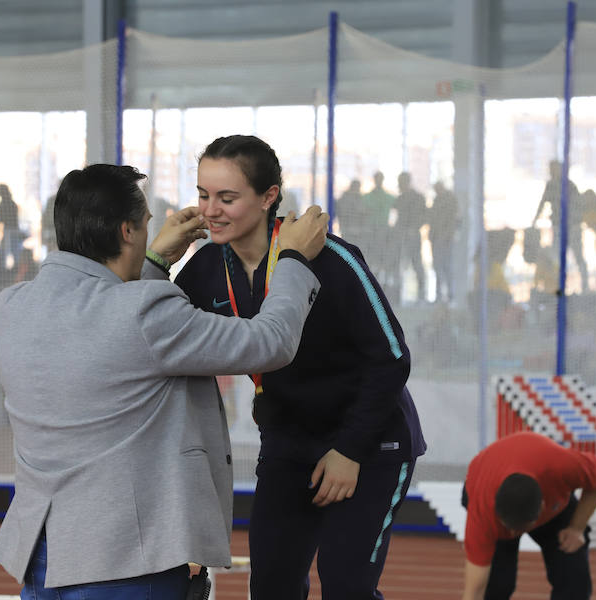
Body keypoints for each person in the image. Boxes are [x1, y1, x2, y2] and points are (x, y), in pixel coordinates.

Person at [0, 163, 328, 597]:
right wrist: (293, 260)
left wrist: (153, 261)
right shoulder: (141, 313)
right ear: (127, 231)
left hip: (45, 556)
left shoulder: (12, 306)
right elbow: (271, 342)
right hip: (126, 560)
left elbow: (109, 329)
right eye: (147, 224)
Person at [174, 135, 426, 600]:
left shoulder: (332, 258)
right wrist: (157, 257)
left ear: (269, 197)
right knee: (271, 586)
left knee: (346, 586)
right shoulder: (204, 268)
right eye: (203, 194)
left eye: (227, 198)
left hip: (369, 445)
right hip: (289, 445)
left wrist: (350, 450)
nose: (210, 210)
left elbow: (392, 358)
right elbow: (153, 336)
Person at [461, 431, 596, 600]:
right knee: (496, 587)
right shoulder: (483, 512)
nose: (512, 534)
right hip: (486, 482)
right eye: (509, 528)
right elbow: (473, 591)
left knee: (574, 581)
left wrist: (577, 528)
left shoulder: (562, 467)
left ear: (542, 508)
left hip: (554, 502)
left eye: (517, 530)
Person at [532, 160, 588, 289]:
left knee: (578, 257)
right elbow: (543, 203)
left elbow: (579, 206)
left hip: (573, 228)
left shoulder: (570, 186)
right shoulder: (551, 185)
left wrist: (574, 221)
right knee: (556, 258)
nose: (551, 171)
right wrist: (534, 221)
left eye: (554, 169)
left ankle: (585, 287)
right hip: (558, 228)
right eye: (550, 169)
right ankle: (557, 287)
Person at [395, 172, 428, 302]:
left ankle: (421, 294)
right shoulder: (400, 199)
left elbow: (424, 216)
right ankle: (398, 295)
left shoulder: (418, 198)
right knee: (399, 264)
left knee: (416, 264)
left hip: (413, 236)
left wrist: (413, 228)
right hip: (401, 237)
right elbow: (397, 218)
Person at [429, 181, 458, 302]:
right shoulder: (437, 200)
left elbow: (454, 220)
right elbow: (433, 219)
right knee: (437, 267)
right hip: (436, 240)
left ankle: (450, 294)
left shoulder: (450, 200)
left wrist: (446, 235)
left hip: (446, 240)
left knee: (447, 267)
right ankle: (439, 294)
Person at [0, 183, 24, 264]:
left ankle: (10, 271)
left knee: (7, 253)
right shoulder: (11, 203)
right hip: (13, 231)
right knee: (13, 252)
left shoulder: (4, 204)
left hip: (10, 232)